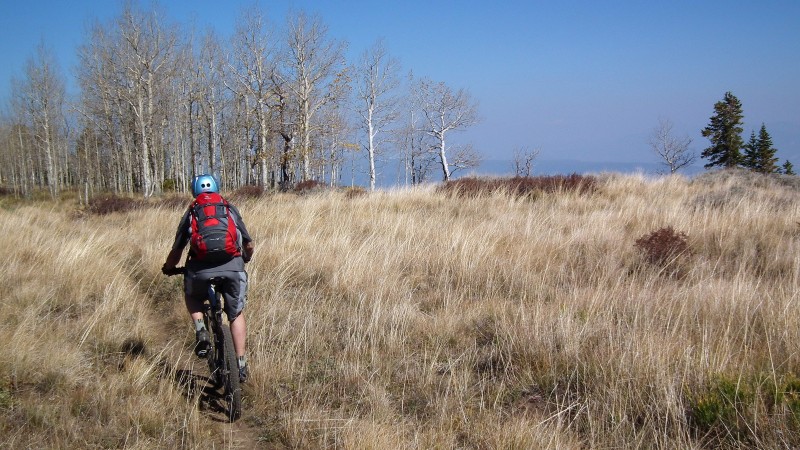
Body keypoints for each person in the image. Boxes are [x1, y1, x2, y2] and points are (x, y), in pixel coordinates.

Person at [162, 174, 255, 383]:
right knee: (236, 313)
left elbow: (177, 250)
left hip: (200, 269)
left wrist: (169, 268)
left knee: (193, 297)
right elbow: (248, 243)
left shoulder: (192, 211)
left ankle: (201, 329)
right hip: (233, 267)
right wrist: (245, 259)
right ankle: (240, 364)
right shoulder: (229, 208)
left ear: (194, 190)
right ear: (217, 188)